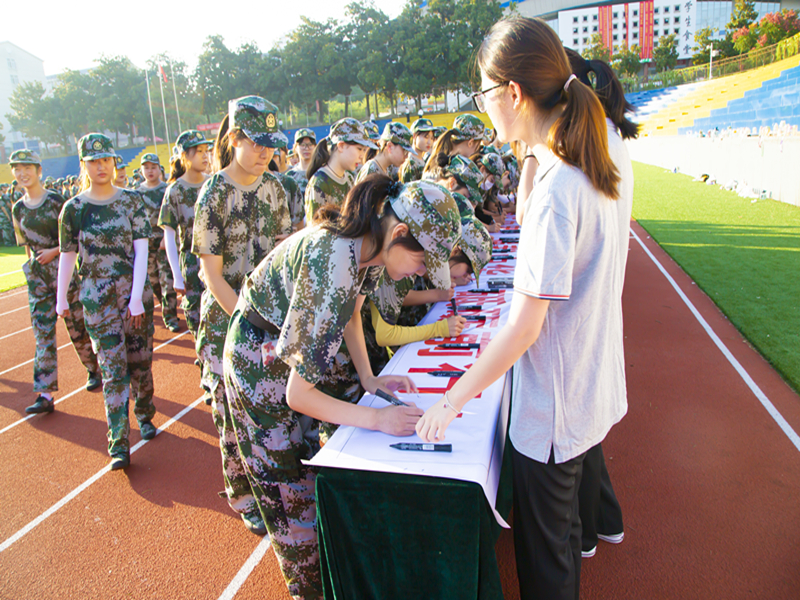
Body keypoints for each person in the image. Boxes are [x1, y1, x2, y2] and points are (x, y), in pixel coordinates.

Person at [416, 17, 627, 600]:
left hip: (553, 408)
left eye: (484, 93)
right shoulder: (588, 162)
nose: (483, 109)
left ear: (513, 93)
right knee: (562, 543)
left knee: (548, 563)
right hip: (583, 385)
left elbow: (525, 327)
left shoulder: (561, 187)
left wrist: (453, 398)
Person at [223, 177, 460, 599]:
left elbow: (352, 312)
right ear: (400, 233)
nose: (423, 273)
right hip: (257, 360)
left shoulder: (368, 246)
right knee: (291, 500)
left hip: (288, 350)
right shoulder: (335, 259)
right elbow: (298, 395)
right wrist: (377, 418)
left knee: (317, 473)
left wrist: (369, 379)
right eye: (423, 262)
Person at [193, 96, 292, 536]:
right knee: (230, 413)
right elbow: (211, 274)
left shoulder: (276, 188)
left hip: (270, 320)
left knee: (271, 406)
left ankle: (275, 486)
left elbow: (286, 256)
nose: (265, 152)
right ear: (234, 139)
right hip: (226, 324)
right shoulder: (214, 192)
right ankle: (243, 496)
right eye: (255, 143)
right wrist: (247, 319)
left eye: (270, 144)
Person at [565, 47, 637, 559]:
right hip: (600, 297)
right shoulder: (607, 137)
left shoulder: (587, 149)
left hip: (584, 306)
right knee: (586, 429)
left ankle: (588, 529)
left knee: (576, 432)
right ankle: (604, 519)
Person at [57, 133, 157, 470]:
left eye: (107, 160)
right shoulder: (74, 209)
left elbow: (142, 249)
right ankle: (118, 441)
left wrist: (137, 298)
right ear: (84, 164)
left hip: (134, 292)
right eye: (94, 161)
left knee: (141, 362)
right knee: (113, 371)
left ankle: (144, 413)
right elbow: (67, 255)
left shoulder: (131, 201)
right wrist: (61, 299)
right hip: (97, 299)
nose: (102, 167)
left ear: (115, 162)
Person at [9, 149, 100, 415]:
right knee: (43, 336)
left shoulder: (56, 202)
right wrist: (32, 268)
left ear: (39, 171)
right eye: (17, 169)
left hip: (64, 273)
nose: (23, 173)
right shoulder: (18, 208)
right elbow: (25, 246)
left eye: (28, 168)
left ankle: (94, 368)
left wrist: (54, 252)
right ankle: (45, 394)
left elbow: (75, 236)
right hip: (38, 278)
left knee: (78, 328)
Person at [159, 130, 211, 348]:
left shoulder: (214, 183)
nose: (205, 156)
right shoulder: (175, 191)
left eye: (206, 151)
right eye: (198, 152)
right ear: (184, 157)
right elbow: (169, 237)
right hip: (191, 263)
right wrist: (177, 276)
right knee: (196, 317)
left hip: (217, 259)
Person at [136, 153, 180, 332]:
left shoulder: (166, 190)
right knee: (153, 280)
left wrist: (166, 236)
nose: (150, 171)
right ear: (141, 170)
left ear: (159, 169)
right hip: (146, 243)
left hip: (163, 242)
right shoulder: (137, 193)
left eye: (153, 167)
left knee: (166, 280)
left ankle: (170, 316)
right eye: (146, 168)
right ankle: (163, 305)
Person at [304, 118, 376, 225]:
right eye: (359, 149)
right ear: (341, 146)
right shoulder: (319, 183)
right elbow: (314, 232)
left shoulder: (349, 178)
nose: (362, 156)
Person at [400, 117, 436, 183]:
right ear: (414, 136)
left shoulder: (421, 160)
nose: (429, 142)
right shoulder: (410, 164)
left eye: (432, 138)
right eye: (426, 137)